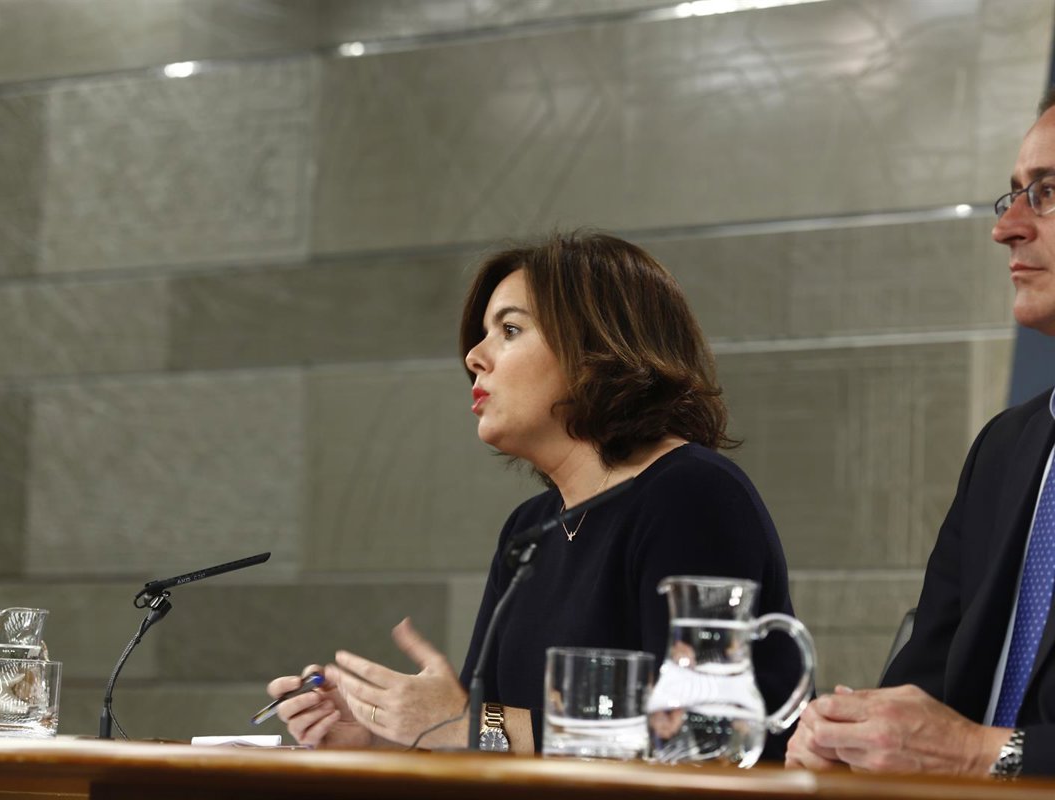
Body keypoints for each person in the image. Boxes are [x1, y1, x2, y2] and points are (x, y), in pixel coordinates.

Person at [266, 232, 801, 757]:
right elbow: (490, 737)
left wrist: (461, 723)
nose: (474, 357)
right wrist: (383, 733)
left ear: (597, 348)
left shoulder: (690, 495)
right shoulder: (531, 528)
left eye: (510, 330)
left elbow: (705, 734)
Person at [785, 90, 1055, 779]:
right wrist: (849, 739)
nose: (1007, 228)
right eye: (1014, 195)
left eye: (1048, 193)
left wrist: (984, 756)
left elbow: (958, 748)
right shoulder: (1005, 449)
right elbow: (924, 687)